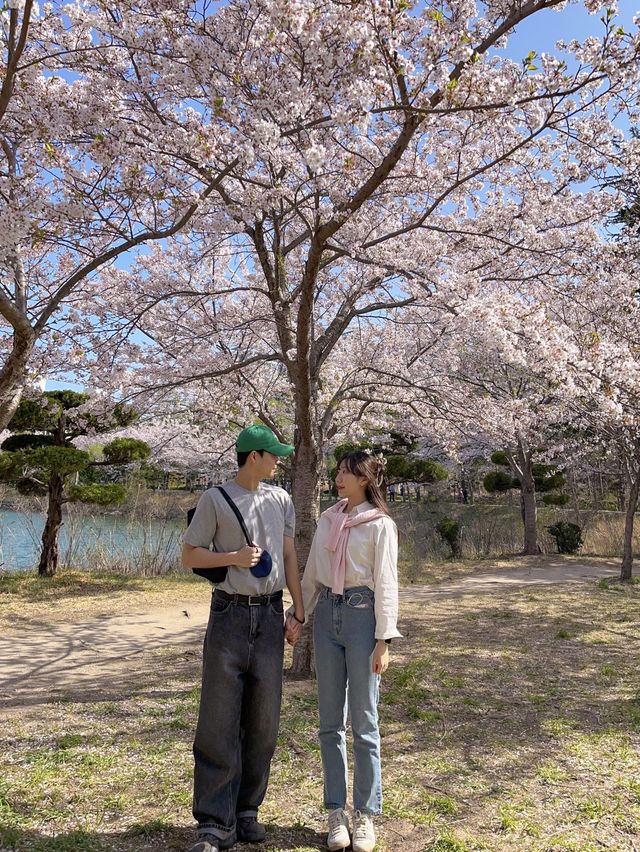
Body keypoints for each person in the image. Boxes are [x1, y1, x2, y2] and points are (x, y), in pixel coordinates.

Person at [182, 424, 305, 852]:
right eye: (273, 455)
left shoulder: (282, 499)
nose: (278, 461)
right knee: (218, 721)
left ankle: (248, 809)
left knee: (263, 721)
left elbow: (288, 555)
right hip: (229, 615)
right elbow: (190, 554)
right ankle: (215, 823)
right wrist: (233, 557)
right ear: (254, 456)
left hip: (270, 615)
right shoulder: (215, 499)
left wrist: (298, 609)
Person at [288, 449, 401, 852]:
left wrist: (383, 640)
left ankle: (366, 815)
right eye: (338, 471)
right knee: (329, 722)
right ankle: (336, 811)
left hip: (361, 618)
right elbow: (314, 574)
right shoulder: (328, 519)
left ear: (366, 480)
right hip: (328, 619)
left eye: (348, 473)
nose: (340, 478)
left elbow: (387, 583)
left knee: (365, 723)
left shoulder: (381, 525)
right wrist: (298, 614)